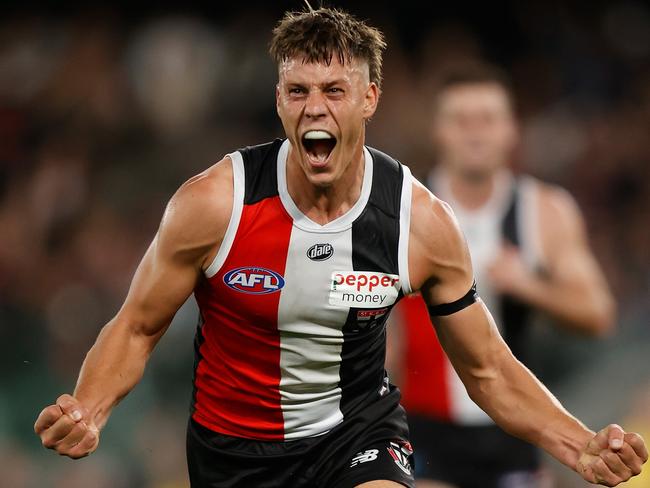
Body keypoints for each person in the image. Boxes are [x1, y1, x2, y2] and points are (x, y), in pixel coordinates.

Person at [34, 7, 647, 488]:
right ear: (278, 101)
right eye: (297, 91)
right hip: (233, 451)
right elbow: (137, 327)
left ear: (369, 99)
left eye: (333, 89)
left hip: (354, 434)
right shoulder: (213, 206)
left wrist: (578, 443)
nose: (314, 108)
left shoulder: (419, 223)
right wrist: (89, 408)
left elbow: (486, 368)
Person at [386, 62, 621, 488]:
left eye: (488, 119)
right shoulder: (402, 212)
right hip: (425, 429)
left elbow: (597, 314)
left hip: (515, 430)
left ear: (512, 130)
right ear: (437, 130)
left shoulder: (544, 211)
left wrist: (530, 285)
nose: (475, 133)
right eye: (461, 120)